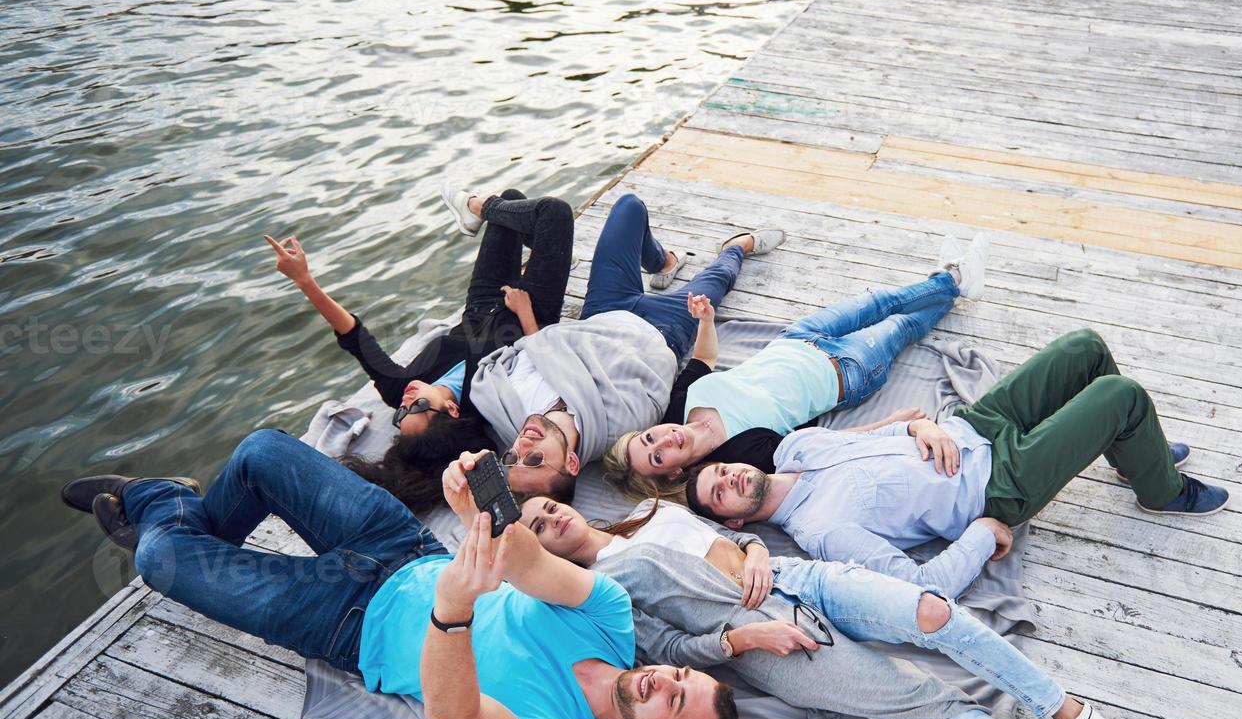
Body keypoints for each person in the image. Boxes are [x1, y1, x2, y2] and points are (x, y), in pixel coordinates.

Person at [512, 492, 1242, 719]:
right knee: (937, 713)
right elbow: (670, 652)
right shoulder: (600, 597)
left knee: (936, 613)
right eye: (538, 528)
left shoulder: (640, 510)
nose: (550, 518)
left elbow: (723, 533)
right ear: (540, 551)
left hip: (793, 576)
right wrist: (744, 641)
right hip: (766, 639)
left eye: (546, 506)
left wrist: (761, 548)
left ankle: (1074, 712)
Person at [58, 431, 738, 719]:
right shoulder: (613, 621)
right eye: (683, 678)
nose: (667, 681)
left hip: (346, 623)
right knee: (264, 451)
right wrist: (483, 510)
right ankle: (182, 525)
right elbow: (531, 565)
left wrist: (451, 615)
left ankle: (164, 511)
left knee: (158, 564)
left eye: (677, 702)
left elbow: (456, 715)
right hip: (401, 545)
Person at [686, 329, 1229, 597]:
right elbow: (922, 585)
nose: (730, 476)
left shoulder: (795, 449)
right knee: (1119, 393)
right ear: (734, 521)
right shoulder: (821, 531)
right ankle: (1161, 489)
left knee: (1083, 349)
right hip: (996, 483)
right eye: (721, 492)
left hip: (975, 425)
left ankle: (1139, 456)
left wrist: (920, 425)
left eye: (721, 470)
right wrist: (982, 533)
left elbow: (883, 430)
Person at [601, 233, 989, 501]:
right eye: (657, 457)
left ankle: (953, 280)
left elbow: (703, 359)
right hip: (845, 371)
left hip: (797, 337)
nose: (664, 440)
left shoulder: (677, 405)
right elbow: (821, 448)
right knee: (901, 324)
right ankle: (955, 277)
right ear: (671, 474)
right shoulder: (739, 459)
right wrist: (895, 425)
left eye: (650, 438)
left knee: (880, 300)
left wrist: (705, 320)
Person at [266, 187, 576, 511]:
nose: (405, 401)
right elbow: (541, 360)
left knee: (511, 201)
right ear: (452, 412)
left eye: (400, 415)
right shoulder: (487, 399)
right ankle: (477, 207)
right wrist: (526, 311)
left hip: (483, 301)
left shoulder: (399, 386)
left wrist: (303, 280)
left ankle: (504, 222)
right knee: (553, 213)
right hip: (533, 310)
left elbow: (354, 335)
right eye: (417, 407)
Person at [458, 192, 782, 501]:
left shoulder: (507, 403)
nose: (523, 447)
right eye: (534, 460)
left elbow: (538, 344)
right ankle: (736, 246)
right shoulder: (619, 431)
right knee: (720, 277)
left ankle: (662, 262)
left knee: (629, 207)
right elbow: (658, 378)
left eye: (511, 456)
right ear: (572, 463)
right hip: (664, 330)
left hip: (603, 309)